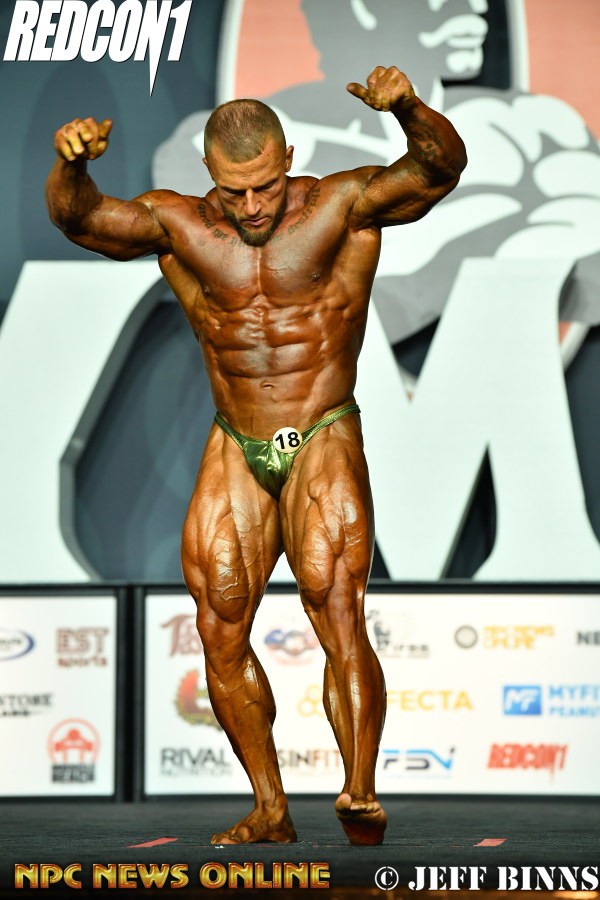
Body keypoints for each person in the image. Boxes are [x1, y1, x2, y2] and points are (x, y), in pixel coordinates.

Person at [46, 66, 467, 846]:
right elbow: (82, 222)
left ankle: (359, 791)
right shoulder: (180, 224)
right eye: (234, 191)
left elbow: (438, 170)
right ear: (209, 174)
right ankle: (270, 808)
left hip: (321, 428)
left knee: (334, 607)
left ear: (289, 160)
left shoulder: (341, 206)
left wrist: (409, 108)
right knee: (219, 625)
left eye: (266, 187)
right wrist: (70, 168)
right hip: (236, 439)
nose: (251, 207)